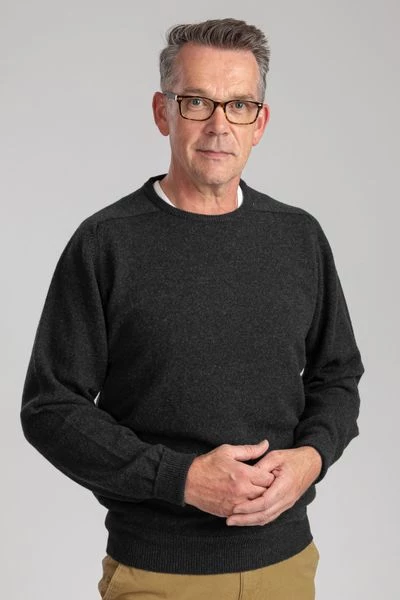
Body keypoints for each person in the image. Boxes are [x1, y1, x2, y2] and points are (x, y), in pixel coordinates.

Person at [20, 18, 364, 600]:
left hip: (285, 565)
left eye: (239, 105)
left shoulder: (298, 237)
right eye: (197, 102)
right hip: (157, 572)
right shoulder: (106, 243)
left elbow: (338, 376)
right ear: (163, 113)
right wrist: (179, 479)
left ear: (260, 122)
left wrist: (311, 457)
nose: (218, 126)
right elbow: (50, 408)